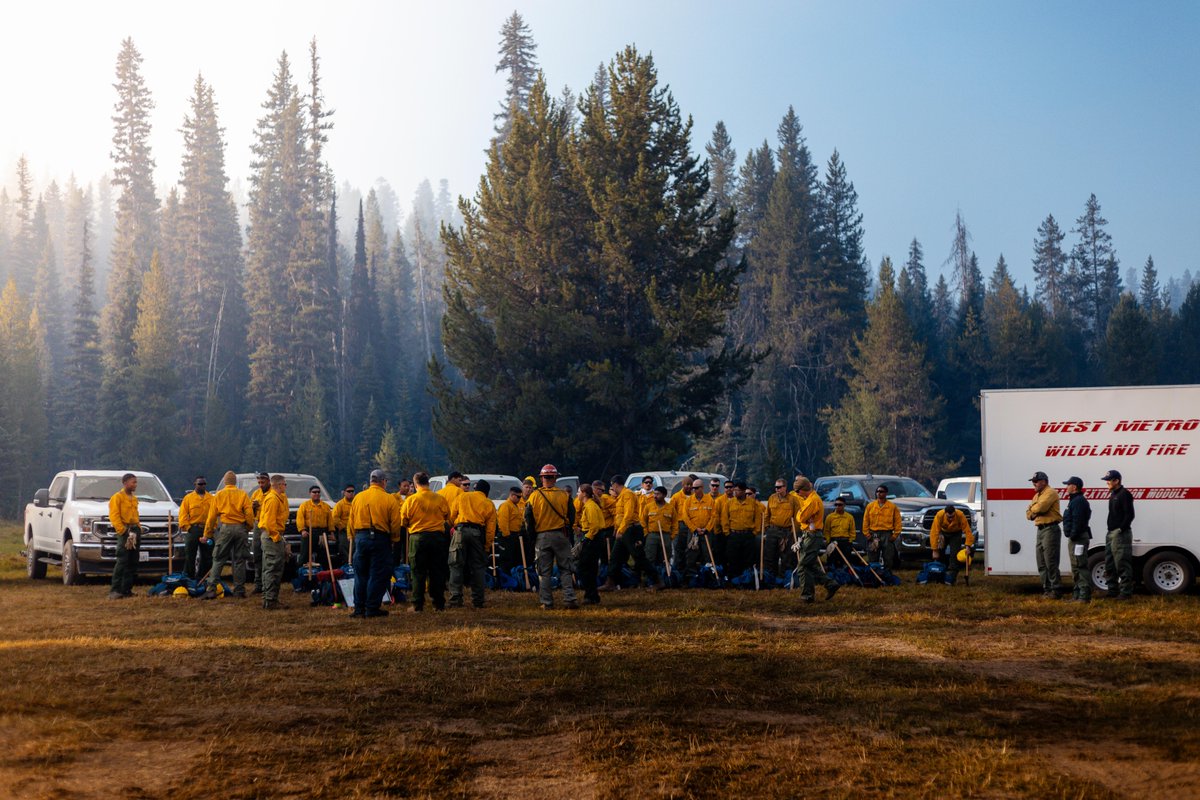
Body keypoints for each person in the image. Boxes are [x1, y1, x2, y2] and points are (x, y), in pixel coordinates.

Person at [524, 464, 579, 609]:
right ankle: (570, 599)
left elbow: (528, 520)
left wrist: (532, 537)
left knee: (544, 572)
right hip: (561, 535)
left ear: (542, 478)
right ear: (555, 478)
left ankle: (547, 603)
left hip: (542, 537)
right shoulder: (564, 495)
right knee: (566, 569)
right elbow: (572, 517)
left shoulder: (534, 496)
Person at [349, 470, 403, 617]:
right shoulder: (389, 499)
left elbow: (351, 521)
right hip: (380, 539)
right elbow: (395, 523)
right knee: (377, 574)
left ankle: (359, 609)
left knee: (360, 574)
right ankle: (372, 608)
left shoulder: (358, 497)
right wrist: (394, 540)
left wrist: (354, 537)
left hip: (360, 538)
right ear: (383, 481)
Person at [400, 472, 452, 612]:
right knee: (437, 570)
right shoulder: (439, 498)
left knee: (418, 571)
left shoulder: (411, 500)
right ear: (428, 483)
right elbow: (447, 516)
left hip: (418, 538)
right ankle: (438, 603)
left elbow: (404, 520)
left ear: (415, 484)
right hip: (437, 538)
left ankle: (417, 604)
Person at [599, 477, 662, 592]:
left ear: (615, 484)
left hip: (631, 530)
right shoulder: (621, 496)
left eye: (612, 485)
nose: (612, 488)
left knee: (638, 557)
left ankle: (657, 581)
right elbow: (620, 515)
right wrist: (617, 528)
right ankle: (610, 582)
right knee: (615, 557)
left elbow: (628, 514)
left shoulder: (628, 494)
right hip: (624, 530)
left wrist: (621, 530)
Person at [202, 471, 254, 598]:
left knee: (219, 558)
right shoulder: (243, 494)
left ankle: (211, 589)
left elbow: (211, 517)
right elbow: (249, 514)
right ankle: (239, 590)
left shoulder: (219, 495)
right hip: (241, 528)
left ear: (225, 482)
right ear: (235, 482)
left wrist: (207, 534)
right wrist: (247, 527)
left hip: (225, 529)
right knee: (239, 560)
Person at [448, 479, 496, 609]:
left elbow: (451, 516)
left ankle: (455, 600)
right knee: (478, 568)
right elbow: (491, 530)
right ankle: (478, 601)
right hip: (477, 533)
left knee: (456, 565)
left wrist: (455, 526)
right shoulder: (488, 503)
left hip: (460, 531)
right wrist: (486, 547)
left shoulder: (462, 496)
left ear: (475, 489)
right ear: (486, 492)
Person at [792, 477, 839, 603]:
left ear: (803, 489)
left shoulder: (812, 500)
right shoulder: (808, 499)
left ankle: (807, 595)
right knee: (809, 564)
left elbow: (800, 517)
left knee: (803, 565)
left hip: (812, 536)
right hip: (808, 535)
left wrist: (800, 514)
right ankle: (828, 585)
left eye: (797, 491)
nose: (797, 494)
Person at [1026, 470, 1063, 599]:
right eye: (1033, 482)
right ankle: (1047, 590)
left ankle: (1056, 590)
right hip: (1040, 529)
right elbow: (1028, 513)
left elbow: (1040, 508)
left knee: (1050, 561)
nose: (1034, 484)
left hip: (1050, 529)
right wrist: (1032, 511)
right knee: (1041, 562)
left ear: (1044, 482)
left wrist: (1033, 510)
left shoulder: (1050, 492)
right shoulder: (1037, 495)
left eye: (1036, 481)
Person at [258, 475, 291, 610]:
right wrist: (277, 538)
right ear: (278, 485)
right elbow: (269, 522)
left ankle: (268, 599)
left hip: (271, 535)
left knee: (269, 568)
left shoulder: (277, 498)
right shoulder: (273, 499)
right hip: (272, 536)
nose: (285, 486)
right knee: (274, 568)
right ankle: (271, 600)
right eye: (284, 484)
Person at [106, 473, 142, 600]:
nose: (135, 485)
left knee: (133, 561)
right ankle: (114, 590)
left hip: (134, 530)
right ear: (125, 483)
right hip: (125, 531)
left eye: (136, 482)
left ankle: (126, 589)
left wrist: (139, 528)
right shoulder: (117, 497)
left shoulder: (134, 498)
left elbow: (135, 515)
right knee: (122, 560)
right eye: (133, 482)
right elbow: (114, 516)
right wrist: (123, 530)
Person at [1102, 469, 1135, 600]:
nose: (1107, 483)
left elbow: (1130, 514)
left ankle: (1126, 593)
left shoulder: (1124, 494)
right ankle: (1112, 591)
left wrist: (1121, 529)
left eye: (1109, 480)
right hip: (1111, 533)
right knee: (1109, 563)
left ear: (1117, 481)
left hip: (1120, 533)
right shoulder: (1113, 494)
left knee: (1121, 563)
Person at [723, 482, 764, 579]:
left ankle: (747, 578)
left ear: (743, 491)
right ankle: (734, 579)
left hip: (748, 535)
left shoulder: (752, 503)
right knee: (733, 558)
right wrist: (727, 533)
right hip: (734, 535)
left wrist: (755, 532)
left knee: (748, 558)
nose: (735, 492)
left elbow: (758, 518)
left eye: (737, 491)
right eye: (734, 490)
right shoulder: (729, 503)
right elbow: (724, 519)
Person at [574, 483, 606, 604]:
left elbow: (595, 526)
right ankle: (593, 596)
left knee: (584, 567)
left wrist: (586, 539)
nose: (577, 494)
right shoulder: (589, 505)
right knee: (591, 568)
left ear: (584, 493)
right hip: (594, 538)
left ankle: (589, 595)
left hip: (593, 538)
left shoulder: (590, 506)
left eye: (578, 492)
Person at [1062, 477, 1093, 603]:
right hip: (1076, 538)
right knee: (1075, 567)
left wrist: (1073, 535)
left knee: (1080, 566)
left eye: (1068, 485)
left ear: (1074, 487)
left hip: (1078, 539)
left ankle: (1084, 596)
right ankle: (1077, 595)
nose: (1066, 487)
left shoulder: (1079, 501)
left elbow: (1078, 521)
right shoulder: (1075, 500)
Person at [680, 479, 717, 584]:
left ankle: (707, 576)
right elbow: (685, 516)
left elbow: (714, 516)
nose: (694, 490)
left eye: (696, 488)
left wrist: (707, 529)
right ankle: (692, 577)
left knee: (707, 554)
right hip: (693, 532)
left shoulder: (710, 500)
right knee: (691, 554)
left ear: (702, 488)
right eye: (693, 488)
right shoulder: (688, 501)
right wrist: (694, 528)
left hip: (706, 532)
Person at [178, 476, 213, 581]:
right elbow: (182, 515)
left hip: (207, 529)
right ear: (195, 484)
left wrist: (212, 528)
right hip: (193, 529)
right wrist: (188, 528)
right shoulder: (188, 498)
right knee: (190, 554)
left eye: (204, 484)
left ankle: (203, 577)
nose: (202, 486)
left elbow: (214, 515)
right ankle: (189, 577)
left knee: (207, 556)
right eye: (200, 484)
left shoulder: (211, 498)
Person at [765, 479, 801, 578]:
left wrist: (793, 532)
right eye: (776, 487)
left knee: (786, 556)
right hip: (773, 530)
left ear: (785, 487)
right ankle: (771, 577)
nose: (777, 489)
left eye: (779, 487)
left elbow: (797, 517)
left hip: (786, 531)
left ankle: (784, 577)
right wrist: (767, 527)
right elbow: (767, 514)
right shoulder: (772, 498)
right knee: (770, 555)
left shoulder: (793, 499)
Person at [929, 504, 974, 583]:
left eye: (952, 516)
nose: (951, 518)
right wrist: (934, 550)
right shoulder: (939, 515)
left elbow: (968, 531)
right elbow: (934, 532)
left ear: (955, 513)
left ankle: (952, 578)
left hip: (956, 534)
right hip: (943, 533)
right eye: (949, 517)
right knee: (940, 554)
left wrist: (968, 546)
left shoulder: (960, 515)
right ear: (945, 513)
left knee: (954, 555)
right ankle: (939, 575)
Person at [641, 485, 677, 583]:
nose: (655, 496)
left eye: (658, 494)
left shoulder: (670, 508)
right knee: (649, 557)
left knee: (665, 558)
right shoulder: (648, 507)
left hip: (666, 536)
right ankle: (649, 580)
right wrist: (646, 534)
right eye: (654, 494)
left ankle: (664, 578)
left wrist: (671, 536)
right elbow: (643, 521)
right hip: (651, 535)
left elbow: (675, 524)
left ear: (664, 495)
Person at [863, 485, 901, 569]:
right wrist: (867, 534)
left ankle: (887, 575)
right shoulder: (870, 506)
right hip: (873, 534)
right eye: (877, 491)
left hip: (887, 534)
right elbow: (865, 521)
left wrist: (895, 535)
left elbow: (898, 522)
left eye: (881, 491)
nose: (879, 493)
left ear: (886, 493)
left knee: (888, 557)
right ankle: (874, 574)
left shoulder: (892, 507)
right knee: (873, 556)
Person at [297, 485, 334, 569]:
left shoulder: (326, 506)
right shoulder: (304, 506)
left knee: (323, 555)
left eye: (318, 492)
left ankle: (322, 575)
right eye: (314, 492)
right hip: (309, 532)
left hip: (322, 534)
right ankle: (301, 574)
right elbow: (300, 519)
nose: (316, 494)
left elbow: (330, 521)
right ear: (310, 493)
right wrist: (302, 530)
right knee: (304, 554)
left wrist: (331, 532)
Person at [249, 472, 271, 595]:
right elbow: (250, 513)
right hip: (258, 525)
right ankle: (258, 583)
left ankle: (267, 583)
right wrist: (253, 507)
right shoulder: (256, 494)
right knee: (257, 554)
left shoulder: (273, 494)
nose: (261, 485)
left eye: (263, 482)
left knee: (268, 555)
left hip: (268, 525)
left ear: (268, 481)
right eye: (259, 483)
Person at [496, 486, 524, 575]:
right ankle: (505, 578)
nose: (520, 499)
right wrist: (507, 536)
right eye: (518, 497)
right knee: (506, 559)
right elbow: (503, 523)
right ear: (512, 495)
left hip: (515, 535)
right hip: (507, 537)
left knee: (513, 558)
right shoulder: (505, 506)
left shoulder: (515, 506)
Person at [824, 498, 857, 563]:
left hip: (845, 542)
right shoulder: (830, 517)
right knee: (832, 561)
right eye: (836, 505)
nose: (837, 507)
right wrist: (828, 541)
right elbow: (826, 531)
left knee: (845, 562)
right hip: (834, 542)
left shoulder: (849, 517)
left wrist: (850, 541)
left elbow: (852, 530)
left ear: (844, 505)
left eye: (840, 505)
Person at [331, 484, 356, 569]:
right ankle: (346, 566)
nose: (351, 493)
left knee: (355, 549)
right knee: (343, 548)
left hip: (355, 530)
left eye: (352, 491)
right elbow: (335, 518)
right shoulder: (339, 504)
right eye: (348, 491)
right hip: (344, 531)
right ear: (344, 493)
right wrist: (344, 526)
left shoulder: (356, 503)